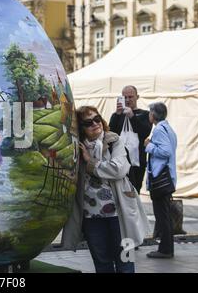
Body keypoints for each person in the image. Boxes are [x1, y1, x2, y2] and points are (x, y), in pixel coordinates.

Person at [62, 106, 149, 273]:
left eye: (97, 119)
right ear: (81, 128)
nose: (95, 124)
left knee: (126, 261)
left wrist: (90, 162)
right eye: (88, 122)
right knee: (102, 263)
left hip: (121, 214)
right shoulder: (76, 148)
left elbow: (119, 169)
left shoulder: (113, 140)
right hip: (91, 216)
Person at [144, 102, 177, 259]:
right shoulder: (168, 128)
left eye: (150, 112)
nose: (149, 115)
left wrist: (149, 145)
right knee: (165, 216)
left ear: (153, 115)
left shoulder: (159, 130)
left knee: (162, 216)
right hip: (167, 178)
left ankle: (165, 250)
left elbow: (166, 151)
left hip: (160, 179)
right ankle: (166, 248)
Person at [109, 86, 152, 194]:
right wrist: (117, 114)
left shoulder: (145, 114)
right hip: (120, 160)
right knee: (119, 191)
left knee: (134, 191)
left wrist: (132, 116)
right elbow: (110, 134)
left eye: (130, 97)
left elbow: (144, 132)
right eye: (125, 97)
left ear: (137, 97)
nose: (127, 100)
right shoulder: (117, 115)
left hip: (137, 161)